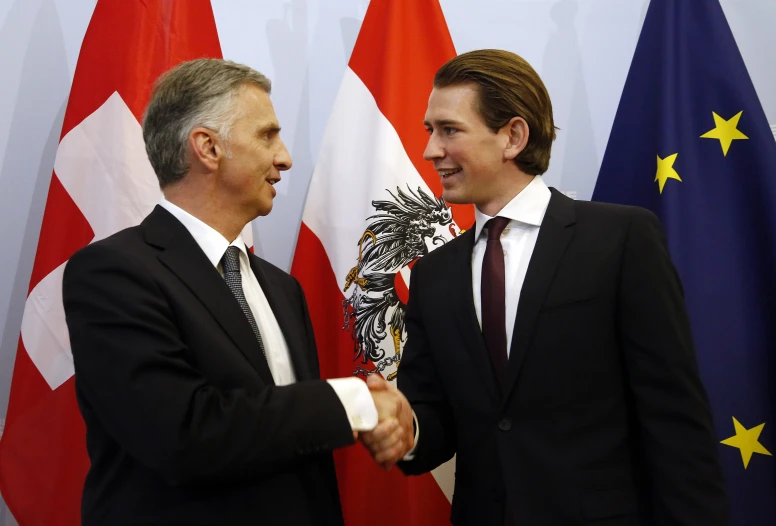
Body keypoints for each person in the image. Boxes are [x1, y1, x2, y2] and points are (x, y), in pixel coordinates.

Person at [362, 49, 728, 525]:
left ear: (512, 136)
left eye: (449, 130)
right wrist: (404, 428)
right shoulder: (433, 275)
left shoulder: (620, 240)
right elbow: (439, 420)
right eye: (430, 131)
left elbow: (675, 420)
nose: (431, 150)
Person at [62, 58, 409, 526]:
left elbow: (289, 437)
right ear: (208, 147)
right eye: (267, 135)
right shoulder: (113, 272)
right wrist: (352, 403)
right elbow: (182, 434)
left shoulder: (283, 289)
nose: (284, 157)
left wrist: (368, 418)